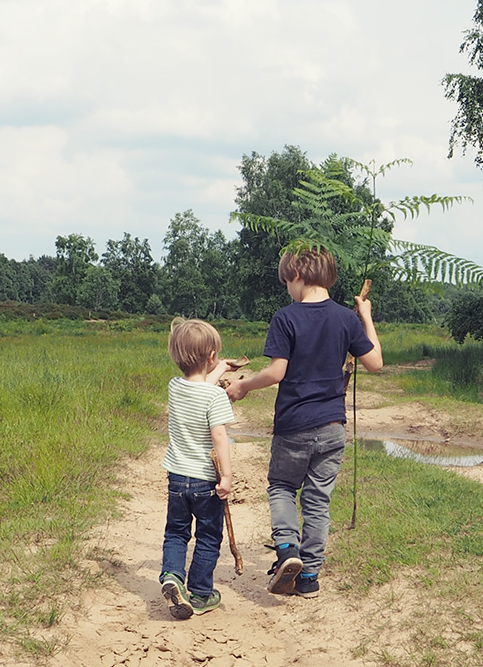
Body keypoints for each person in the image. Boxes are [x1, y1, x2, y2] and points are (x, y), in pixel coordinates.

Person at [225, 248, 382, 598]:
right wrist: (365, 317)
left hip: (294, 424)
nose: (287, 290)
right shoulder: (346, 318)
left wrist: (243, 385)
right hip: (332, 428)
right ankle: (309, 576)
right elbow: (375, 362)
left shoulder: (286, 317)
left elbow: (276, 372)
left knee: (281, 486)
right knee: (317, 501)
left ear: (296, 274)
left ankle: (286, 550)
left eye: (286, 283)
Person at [159, 317, 237, 620]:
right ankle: (201, 592)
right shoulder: (215, 396)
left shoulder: (174, 387)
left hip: (177, 478)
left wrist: (218, 370)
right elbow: (219, 437)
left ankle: (172, 576)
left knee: (176, 533)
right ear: (211, 356)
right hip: (206, 481)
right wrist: (227, 476)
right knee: (207, 536)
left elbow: (198, 386)